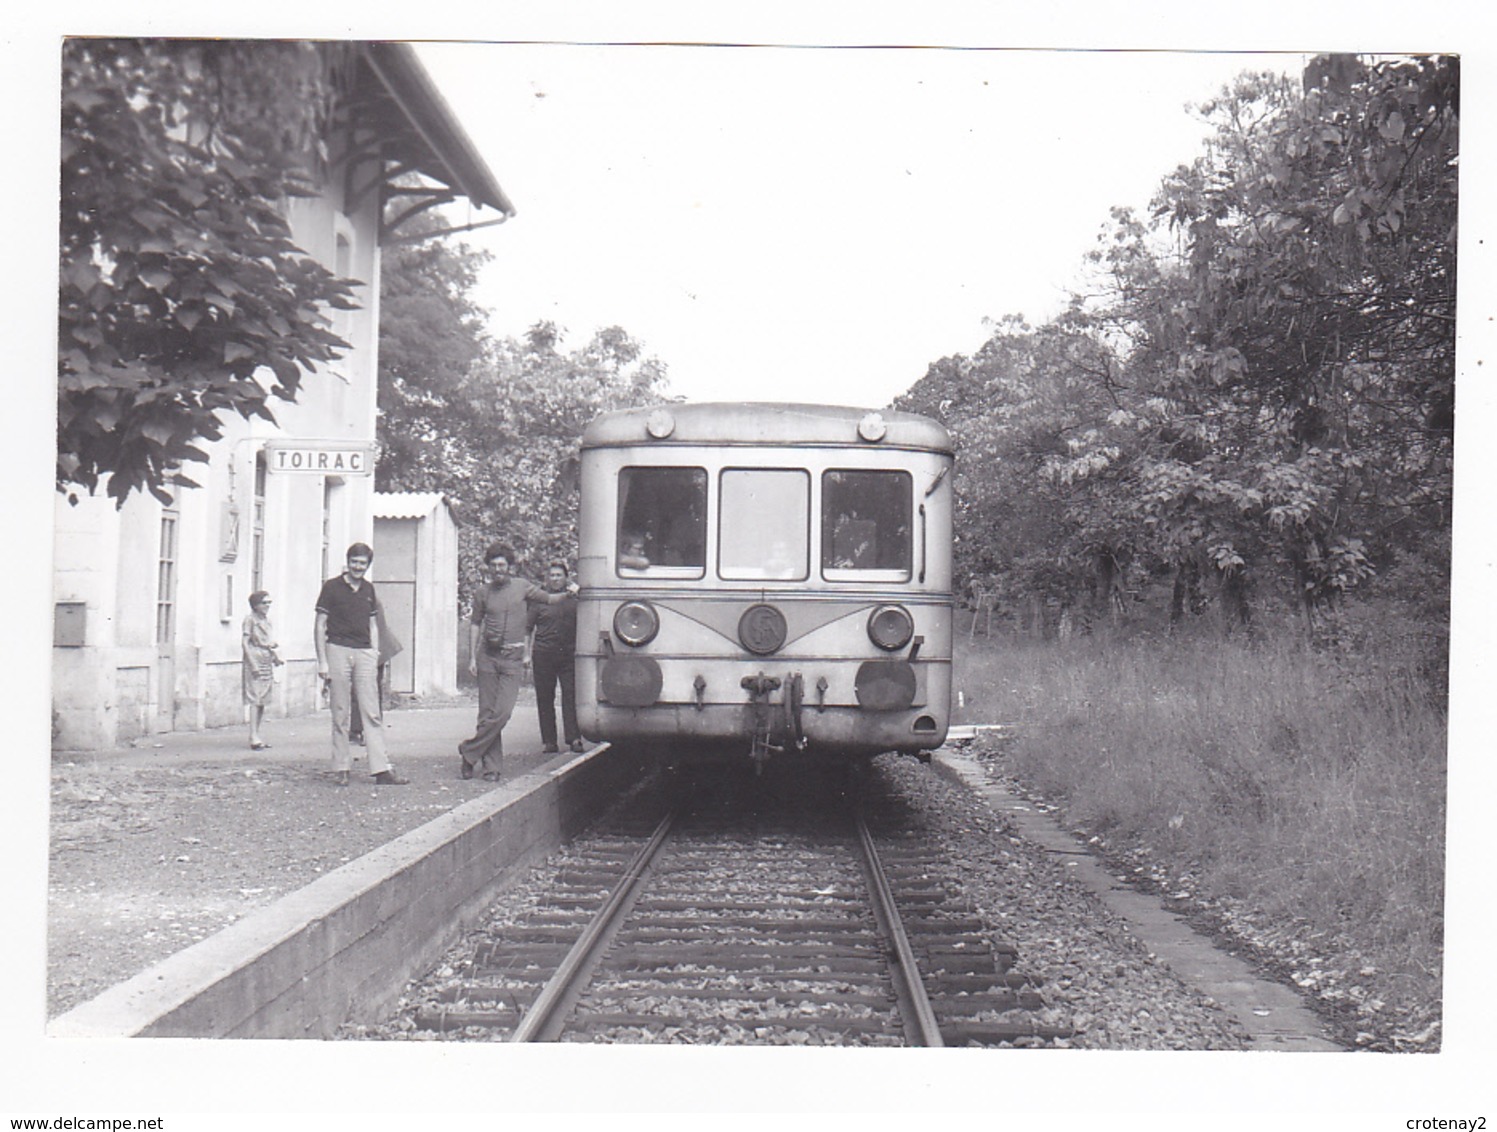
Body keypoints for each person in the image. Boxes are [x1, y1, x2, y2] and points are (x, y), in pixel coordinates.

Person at [459, 542, 577, 781]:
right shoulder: (483, 593)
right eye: (493, 565)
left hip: (512, 659)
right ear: (489, 567)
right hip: (488, 658)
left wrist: (570, 593)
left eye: (502, 565)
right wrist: (472, 656)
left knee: (502, 713)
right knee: (486, 713)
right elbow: (475, 624)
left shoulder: (523, 587)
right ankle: (491, 768)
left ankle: (469, 751)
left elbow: (550, 599)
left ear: (509, 566)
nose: (497, 570)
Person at [314, 543, 407, 787]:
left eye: (362, 563)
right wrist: (322, 661)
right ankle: (341, 767)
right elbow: (320, 624)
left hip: (364, 652)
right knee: (340, 711)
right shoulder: (331, 587)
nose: (358, 567)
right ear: (348, 562)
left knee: (371, 712)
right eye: (354, 562)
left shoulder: (369, 589)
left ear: (368, 565)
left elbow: (374, 624)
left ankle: (381, 770)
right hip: (338, 650)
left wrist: (374, 653)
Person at [526, 560, 584, 755]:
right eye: (552, 575)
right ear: (547, 578)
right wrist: (526, 654)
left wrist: (579, 591)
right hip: (543, 654)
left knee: (570, 695)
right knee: (545, 697)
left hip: (568, 653)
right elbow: (527, 629)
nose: (555, 579)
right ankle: (549, 741)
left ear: (566, 577)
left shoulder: (575, 599)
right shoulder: (539, 601)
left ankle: (574, 738)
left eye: (559, 575)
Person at [242, 590, 283, 750]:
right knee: (255, 698)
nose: (267, 606)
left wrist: (275, 656)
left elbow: (268, 641)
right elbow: (245, 643)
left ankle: (257, 734)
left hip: (266, 657)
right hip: (255, 657)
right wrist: (252, 663)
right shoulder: (249, 620)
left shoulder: (267, 621)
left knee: (263, 699)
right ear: (255, 605)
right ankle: (253, 735)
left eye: (269, 603)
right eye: (264, 603)